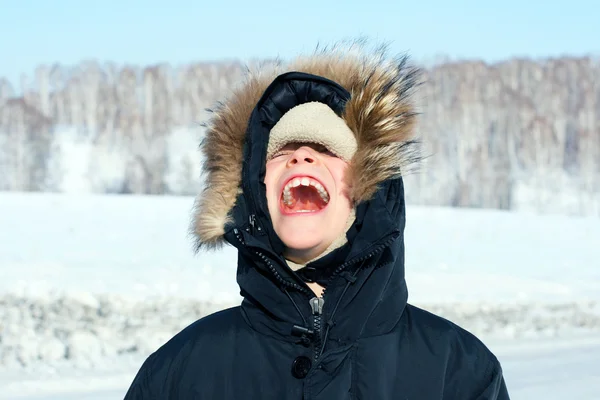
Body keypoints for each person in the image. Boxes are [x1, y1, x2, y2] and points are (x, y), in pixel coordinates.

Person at [124, 41, 510, 399]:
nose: (301, 157)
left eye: (325, 148)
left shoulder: (459, 371)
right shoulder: (180, 372)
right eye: (283, 151)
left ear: (368, 186)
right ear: (255, 193)